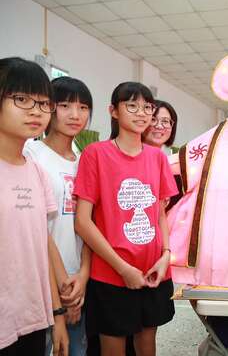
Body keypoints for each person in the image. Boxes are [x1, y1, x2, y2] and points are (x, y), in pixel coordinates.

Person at [74, 82, 177, 356]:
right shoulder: (96, 154)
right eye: (132, 105)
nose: (141, 113)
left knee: (147, 344)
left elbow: (160, 216)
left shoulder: (157, 158)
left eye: (147, 107)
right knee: (113, 347)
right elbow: (83, 222)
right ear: (114, 111)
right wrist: (123, 269)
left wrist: (166, 254)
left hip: (154, 270)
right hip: (111, 274)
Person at [0, 57, 69, 355]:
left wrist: (57, 315)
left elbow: (42, 243)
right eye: (21, 99)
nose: (35, 111)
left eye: (43, 103)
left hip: (32, 319)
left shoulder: (36, 170)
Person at [24, 76, 93, 356]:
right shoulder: (31, 154)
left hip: (77, 282)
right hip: (41, 282)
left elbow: (89, 224)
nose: (75, 115)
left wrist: (83, 277)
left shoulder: (84, 158)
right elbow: (38, 227)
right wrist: (64, 285)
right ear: (49, 108)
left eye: (83, 107)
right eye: (64, 105)